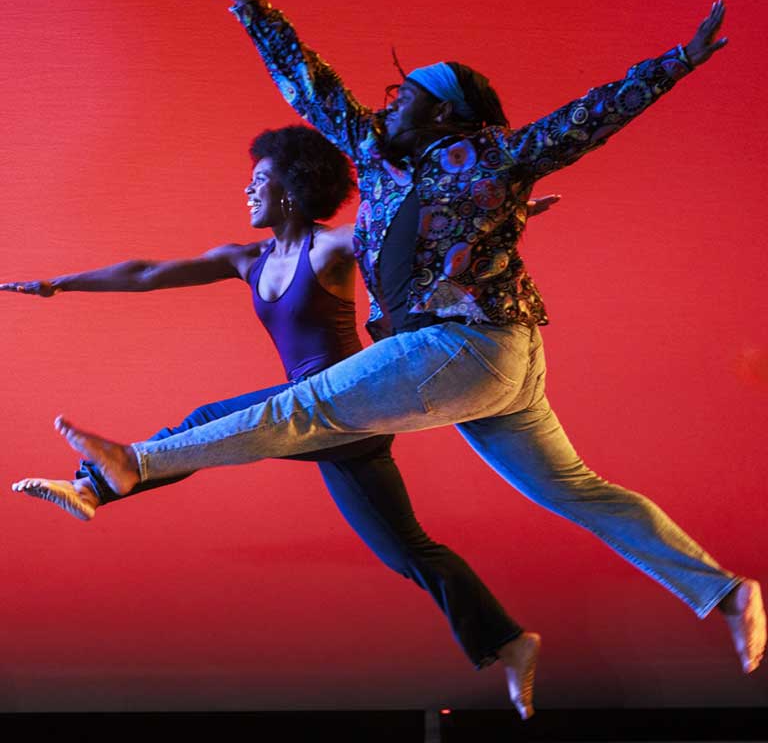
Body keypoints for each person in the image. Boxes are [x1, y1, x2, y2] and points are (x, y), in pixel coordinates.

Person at [17, 0, 766, 711]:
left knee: (298, 410)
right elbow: (309, 84)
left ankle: (132, 464)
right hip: (484, 360)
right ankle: (725, 592)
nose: (389, 101)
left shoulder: (492, 158)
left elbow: (582, 121)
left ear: (447, 113)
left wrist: (674, 62)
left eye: (407, 96)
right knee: (572, 492)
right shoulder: (374, 154)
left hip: (467, 347)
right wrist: (249, 5)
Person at [4, 124, 561, 719]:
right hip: (322, 426)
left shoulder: (330, 249)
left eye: (260, 180)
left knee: (209, 421)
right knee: (407, 551)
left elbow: (408, 233)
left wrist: (505, 212)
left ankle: (93, 484)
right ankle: (508, 641)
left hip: (350, 406)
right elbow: (146, 272)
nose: (247, 190)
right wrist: (57, 284)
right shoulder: (245, 259)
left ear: (293, 190)